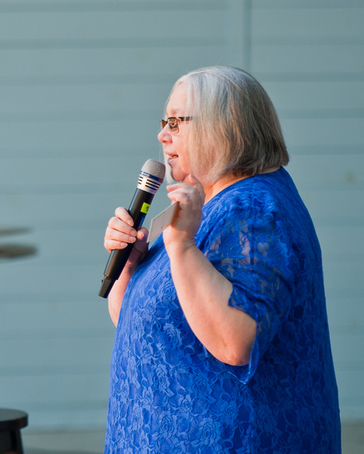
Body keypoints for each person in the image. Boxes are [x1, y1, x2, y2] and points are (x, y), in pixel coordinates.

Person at [102, 66, 340, 452]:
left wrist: (179, 246)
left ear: (225, 127)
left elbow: (234, 340)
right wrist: (131, 265)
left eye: (177, 122)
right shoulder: (208, 203)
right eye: (165, 121)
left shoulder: (255, 210)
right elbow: (150, 325)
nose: (163, 134)